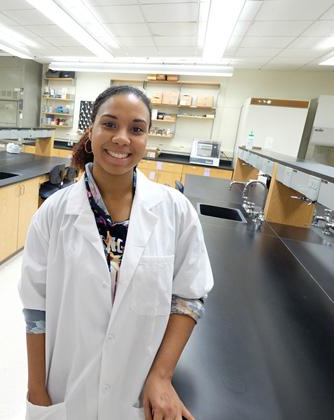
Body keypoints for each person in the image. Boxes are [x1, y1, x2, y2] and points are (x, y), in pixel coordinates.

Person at [19, 85, 213, 420]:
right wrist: (37, 392)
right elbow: (36, 310)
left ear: (147, 138)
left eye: (136, 129)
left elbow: (189, 297)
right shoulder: (52, 215)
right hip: (67, 388)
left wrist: (162, 375)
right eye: (109, 124)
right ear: (90, 131)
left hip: (136, 392)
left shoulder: (175, 211)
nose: (122, 138)